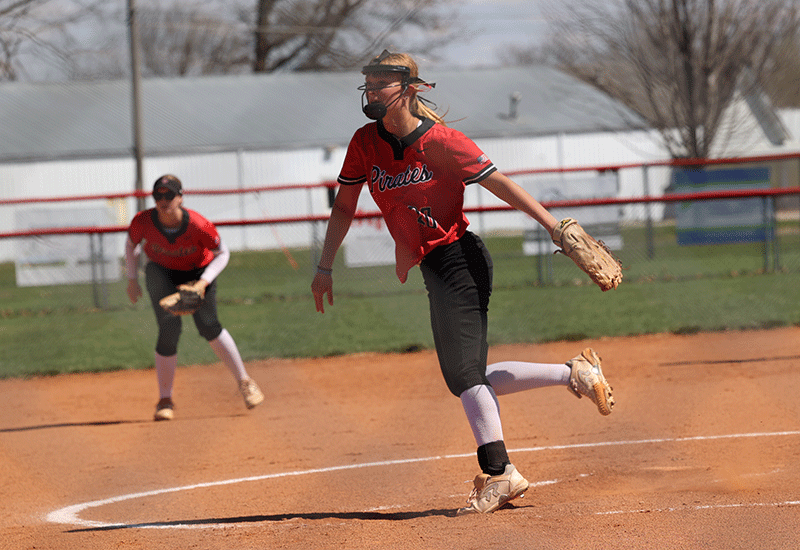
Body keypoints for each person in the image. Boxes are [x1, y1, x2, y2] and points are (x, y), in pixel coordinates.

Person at [311, 51, 615, 515]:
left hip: (461, 260)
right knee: (467, 377)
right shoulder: (364, 143)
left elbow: (504, 186)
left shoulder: (443, 142)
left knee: (465, 375)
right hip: (436, 267)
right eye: (367, 84)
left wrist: (557, 229)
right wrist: (325, 265)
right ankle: (574, 374)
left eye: (381, 84)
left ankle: (500, 473)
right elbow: (345, 207)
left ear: (409, 88)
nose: (370, 92)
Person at [126, 174, 264, 421]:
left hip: (199, 272)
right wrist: (131, 279)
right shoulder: (143, 221)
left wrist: (202, 283)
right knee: (168, 329)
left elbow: (222, 252)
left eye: (169, 195)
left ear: (180, 198)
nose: (163, 199)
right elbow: (131, 245)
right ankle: (165, 400)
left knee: (209, 326)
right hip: (161, 272)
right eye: (158, 195)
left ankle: (245, 382)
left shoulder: (198, 225)